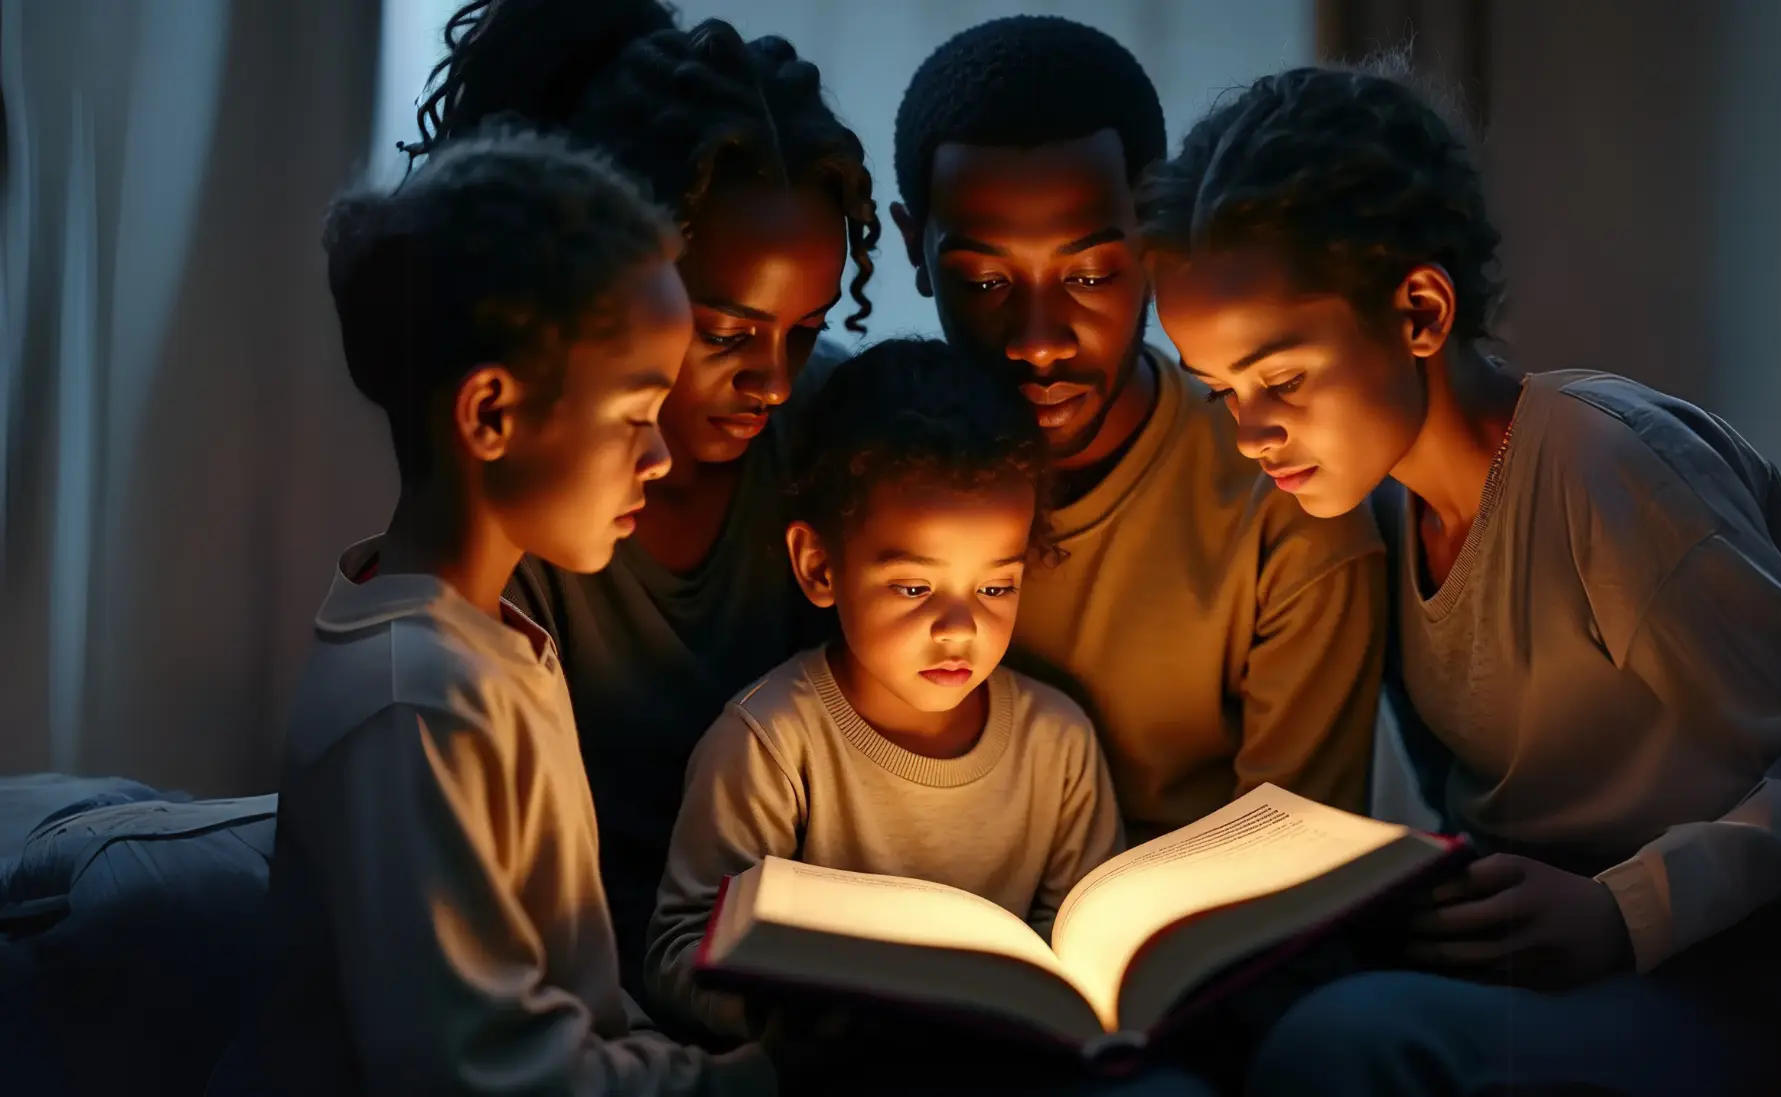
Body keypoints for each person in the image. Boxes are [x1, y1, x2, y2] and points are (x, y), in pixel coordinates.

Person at [1140, 55, 1781, 1096]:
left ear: (1419, 310)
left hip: (1772, 968)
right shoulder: (1376, 503)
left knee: (1349, 1043)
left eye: (1280, 377)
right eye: (1220, 388)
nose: (1249, 432)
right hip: (1579, 960)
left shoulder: (1608, 470)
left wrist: (1622, 908)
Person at [206, 132, 775, 1095]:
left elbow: (567, 991)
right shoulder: (417, 702)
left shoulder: (491, 644)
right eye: (635, 415)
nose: (662, 457)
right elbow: (483, 1068)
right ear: (491, 415)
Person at [411, 1, 883, 993]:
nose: (775, 380)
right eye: (726, 330)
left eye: (805, 329)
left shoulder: (836, 433)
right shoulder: (528, 497)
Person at [889, 16, 1388, 848]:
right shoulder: (861, 466)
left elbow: (1300, 860)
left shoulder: (1282, 501)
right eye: (982, 280)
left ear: (1154, 239)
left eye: (1087, 275)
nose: (1039, 337)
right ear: (915, 247)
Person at [643, 338, 1124, 1048]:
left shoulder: (1059, 743)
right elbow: (677, 952)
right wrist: (800, 1022)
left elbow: (1086, 939)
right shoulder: (772, 743)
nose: (959, 627)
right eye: (913, 587)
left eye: (995, 586)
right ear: (819, 565)